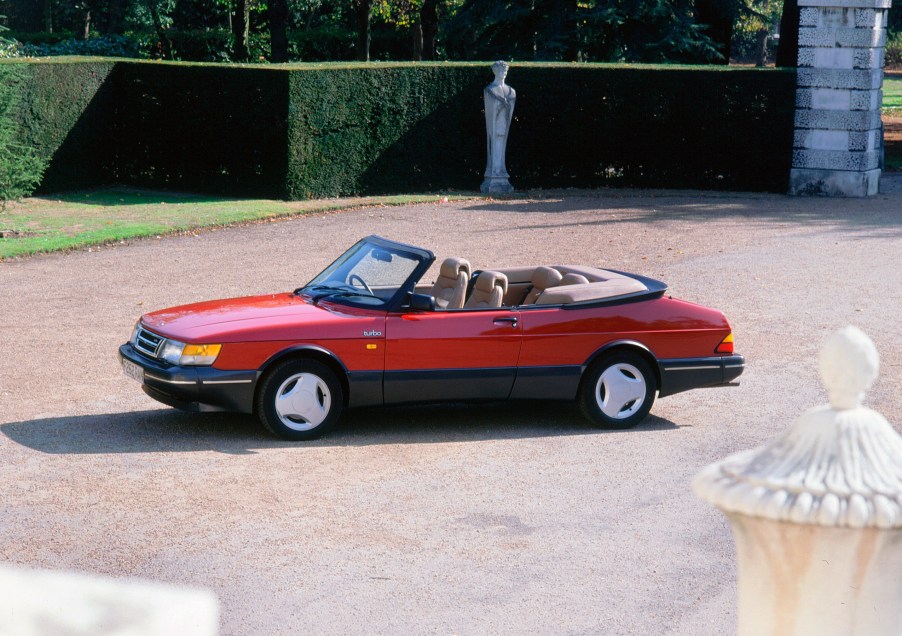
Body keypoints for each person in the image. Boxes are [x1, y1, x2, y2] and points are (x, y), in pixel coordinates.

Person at [481, 61, 516, 193]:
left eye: (505, 71)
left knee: (501, 144)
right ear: (495, 72)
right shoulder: (490, 90)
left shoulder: (511, 91)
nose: (504, 74)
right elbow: (490, 112)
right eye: (501, 71)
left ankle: (500, 171)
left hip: (503, 125)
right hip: (495, 127)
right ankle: (494, 172)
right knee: (494, 144)